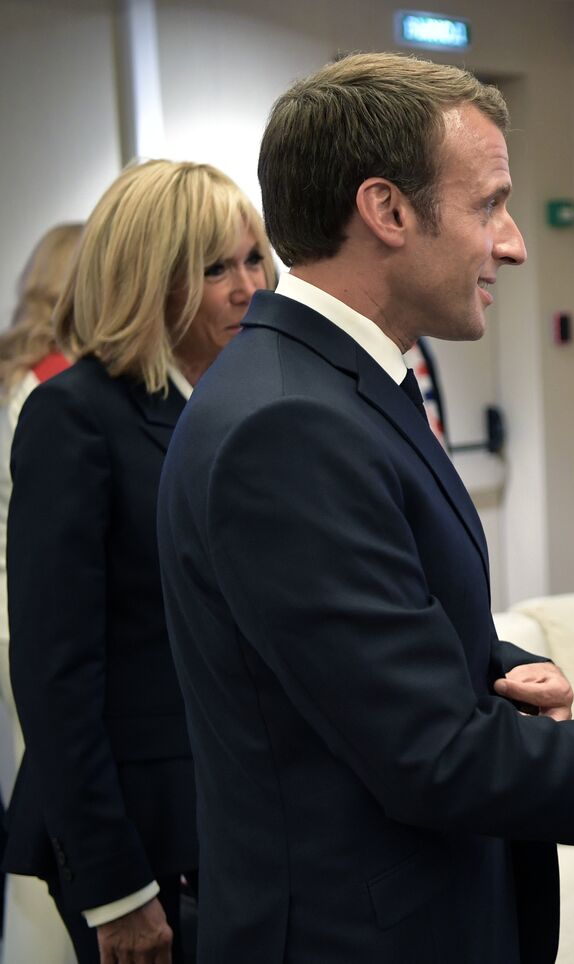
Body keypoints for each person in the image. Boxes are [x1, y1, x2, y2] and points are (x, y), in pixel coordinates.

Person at [155, 53, 574, 963]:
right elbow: (425, 754)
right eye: (489, 204)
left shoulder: (332, 385)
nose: (513, 241)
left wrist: (496, 666)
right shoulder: (288, 425)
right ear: (386, 211)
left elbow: (349, 641)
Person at [4, 160, 273, 964]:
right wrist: (115, 886)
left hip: (237, 815)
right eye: (214, 267)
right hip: (139, 835)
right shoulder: (74, 416)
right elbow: (57, 676)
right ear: (147, 280)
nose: (246, 287)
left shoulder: (241, 405)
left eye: (253, 257)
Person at [0, 222, 82, 964]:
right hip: (31, 616)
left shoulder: (17, 376)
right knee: (55, 789)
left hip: (14, 610)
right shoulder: (56, 388)